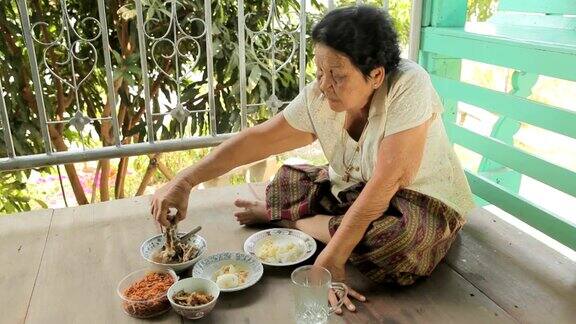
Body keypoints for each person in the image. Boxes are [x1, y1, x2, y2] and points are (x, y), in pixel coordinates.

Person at [151, 5, 474, 315]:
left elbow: (388, 181)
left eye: (337, 75)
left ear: (375, 75)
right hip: (356, 189)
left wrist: (332, 260)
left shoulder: (408, 83)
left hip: (420, 201)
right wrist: (185, 180)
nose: (323, 85)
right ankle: (315, 224)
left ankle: (291, 221)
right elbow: (260, 139)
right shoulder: (321, 93)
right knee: (287, 179)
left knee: (394, 241)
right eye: (319, 71)